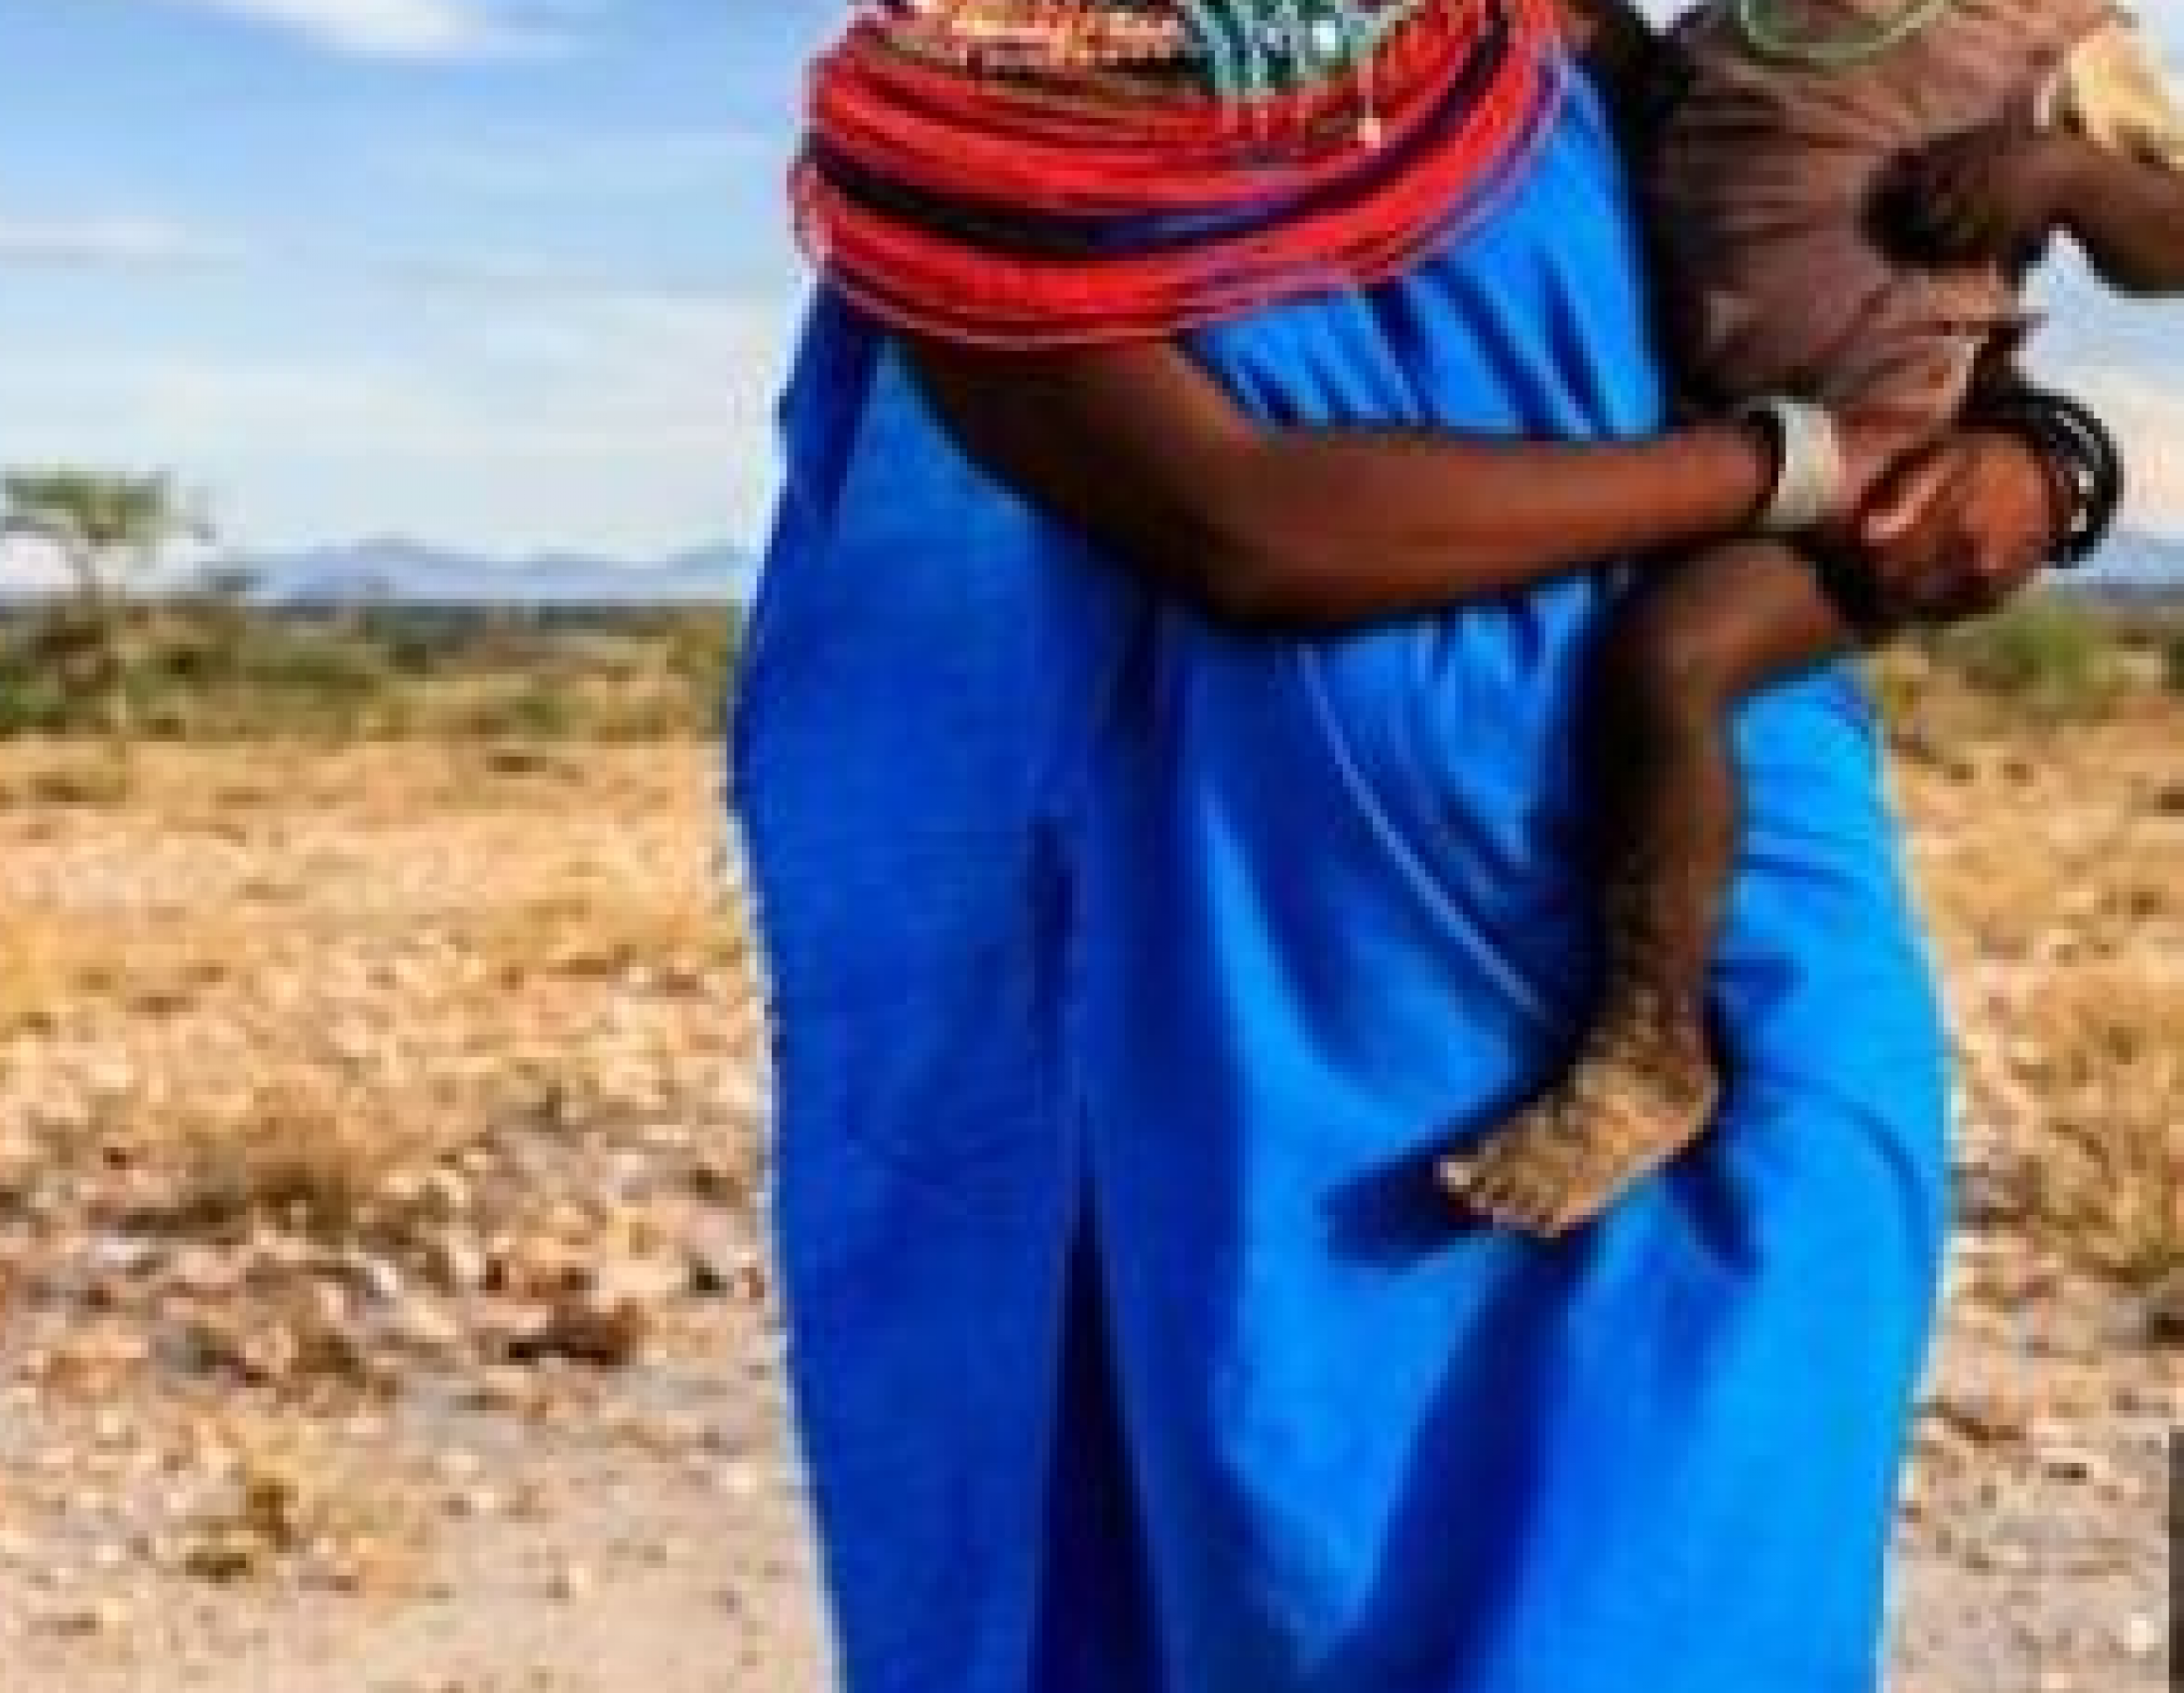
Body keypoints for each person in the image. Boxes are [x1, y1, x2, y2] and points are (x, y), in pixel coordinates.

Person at [734, 1, 2073, 1686]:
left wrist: (2046, 457)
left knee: (1716, 1574)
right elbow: (1248, 526)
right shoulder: (959, 150)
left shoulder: (1543, 26)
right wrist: (1774, 468)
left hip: (1742, 950)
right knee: (1315, 1591)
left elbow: (1830, 275)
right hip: (1299, 1023)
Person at [1443, 0, 2184, 1238]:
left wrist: (2063, 178)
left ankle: (1651, 1045)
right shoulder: (1740, 29)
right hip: (1696, 448)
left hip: (1882, 482)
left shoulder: (2040, 41)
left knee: (1673, 661)